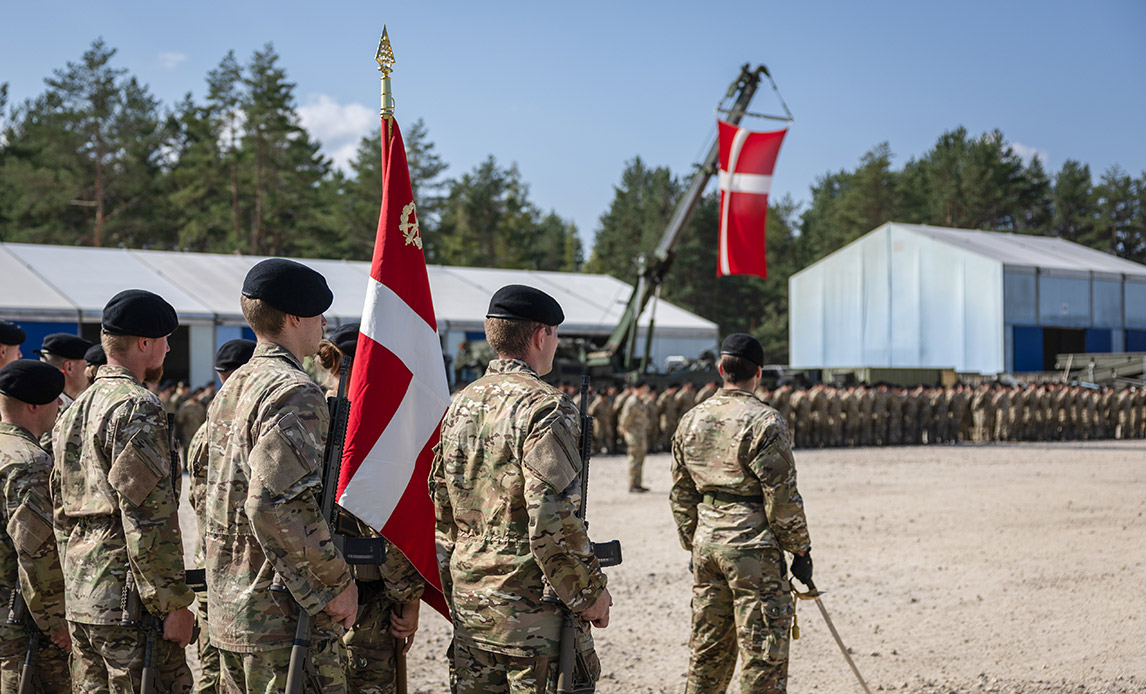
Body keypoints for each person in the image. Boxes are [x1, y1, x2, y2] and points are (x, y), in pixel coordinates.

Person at [430, 284, 612, 693]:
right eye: (555, 334)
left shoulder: (460, 404)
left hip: (473, 606)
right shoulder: (546, 406)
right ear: (540, 336)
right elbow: (551, 517)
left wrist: (457, 587)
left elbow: (442, 509)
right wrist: (588, 593)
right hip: (533, 619)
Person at [201, 259, 357, 694]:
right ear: (293, 318)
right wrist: (335, 584)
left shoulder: (234, 385)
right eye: (318, 313)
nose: (324, 322)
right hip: (279, 614)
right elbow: (274, 502)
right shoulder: (294, 390)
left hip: (232, 604)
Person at [51, 289, 196, 692]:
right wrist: (173, 603)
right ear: (144, 343)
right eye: (165, 340)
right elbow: (147, 517)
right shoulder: (136, 406)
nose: (169, 349)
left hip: (83, 598)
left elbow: (60, 511)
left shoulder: (74, 410)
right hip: (129, 606)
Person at [670, 333, 813, 694]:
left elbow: (681, 492)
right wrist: (800, 550)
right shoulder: (765, 421)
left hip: (708, 544)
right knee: (763, 660)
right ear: (758, 373)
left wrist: (694, 542)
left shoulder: (692, 419)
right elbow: (782, 498)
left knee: (707, 655)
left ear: (721, 369)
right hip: (753, 550)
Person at [317, 323, 424, 694]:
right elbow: (382, 524)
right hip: (365, 603)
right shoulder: (368, 426)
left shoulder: (308, 409)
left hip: (309, 593)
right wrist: (408, 600)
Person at [185, 338, 255, 694]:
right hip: (244, 566)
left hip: (208, 560)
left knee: (213, 665)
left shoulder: (205, 431)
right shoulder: (246, 426)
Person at [0, 360, 72, 693]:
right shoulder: (28, 463)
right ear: (33, 406)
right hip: (21, 624)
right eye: (55, 398)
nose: (60, 405)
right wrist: (58, 622)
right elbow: (37, 553)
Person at [35, 333, 95, 407]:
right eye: (88, 366)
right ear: (69, 368)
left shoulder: (36, 400)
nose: (90, 372)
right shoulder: (56, 409)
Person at [619, 381, 651, 492]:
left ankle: (638, 484)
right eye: (645, 387)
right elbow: (625, 418)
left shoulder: (640, 401)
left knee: (640, 459)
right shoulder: (632, 402)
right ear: (640, 388)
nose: (646, 390)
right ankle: (633, 485)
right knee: (634, 459)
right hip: (634, 435)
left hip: (640, 434)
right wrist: (624, 430)